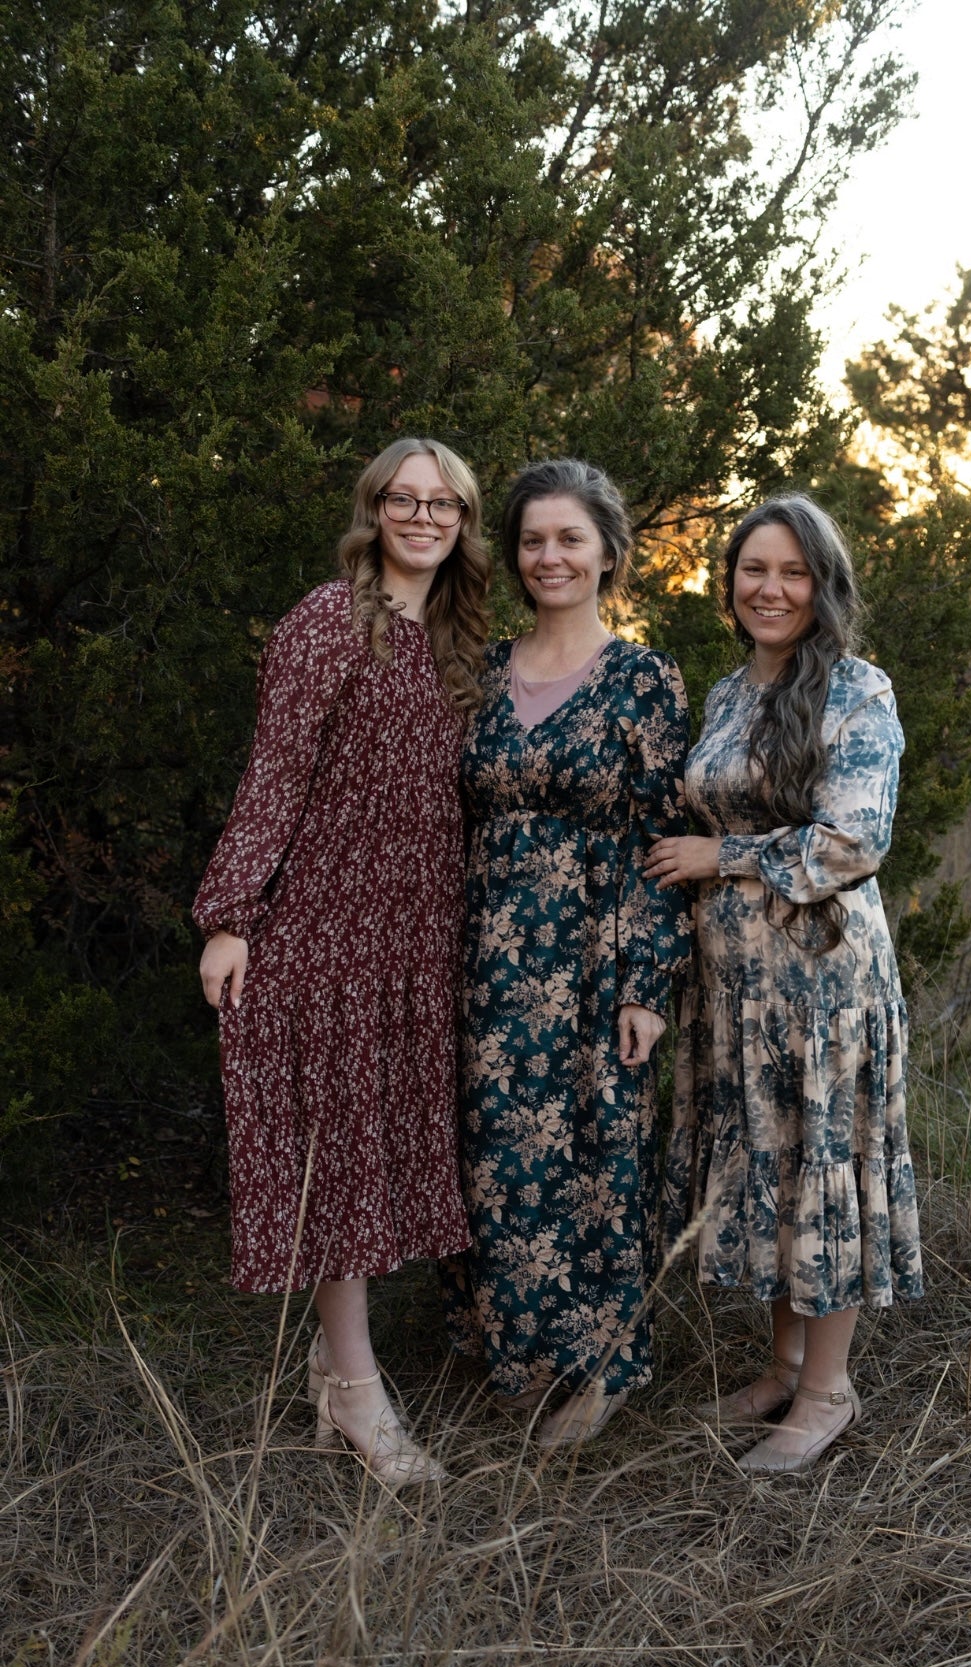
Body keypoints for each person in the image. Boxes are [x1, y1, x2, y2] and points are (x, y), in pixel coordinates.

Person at [194, 437, 490, 1491]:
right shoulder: (329, 621)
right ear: (373, 512)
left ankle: (335, 1365)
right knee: (340, 1152)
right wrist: (232, 914)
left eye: (441, 502)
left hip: (414, 933)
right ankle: (361, 1393)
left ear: (462, 518)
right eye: (402, 500)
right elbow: (274, 772)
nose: (422, 517)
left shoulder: (463, 636)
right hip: (322, 926)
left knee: (379, 1141)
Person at [645, 493, 923, 1474]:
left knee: (820, 1174)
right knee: (771, 1166)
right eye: (753, 568)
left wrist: (724, 856)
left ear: (822, 585)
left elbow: (856, 837)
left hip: (822, 986)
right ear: (729, 582)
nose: (770, 587)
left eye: (792, 571)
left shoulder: (857, 690)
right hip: (738, 988)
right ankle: (784, 1360)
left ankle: (827, 1390)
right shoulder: (727, 694)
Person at [442, 459, 692, 1446]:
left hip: (594, 957)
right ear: (514, 556)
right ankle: (513, 1352)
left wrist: (647, 985)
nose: (551, 556)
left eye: (570, 539)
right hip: (486, 954)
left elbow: (663, 843)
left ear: (608, 554)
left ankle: (602, 1368)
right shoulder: (479, 672)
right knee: (497, 1158)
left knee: (599, 1159)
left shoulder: (643, 679)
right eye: (534, 540)